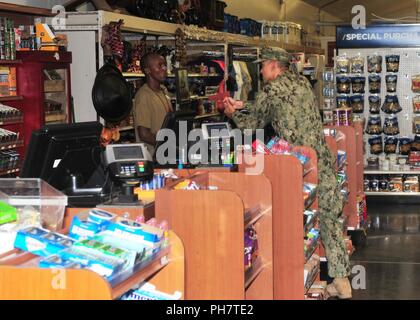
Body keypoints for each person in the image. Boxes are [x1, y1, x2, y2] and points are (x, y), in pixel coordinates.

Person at [223, 47, 352, 299]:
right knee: (327, 217)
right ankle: (341, 279)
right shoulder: (302, 83)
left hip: (296, 166)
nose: (260, 71)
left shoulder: (271, 90)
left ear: (273, 65)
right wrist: (245, 104)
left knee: (293, 222)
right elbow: (280, 105)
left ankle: (291, 278)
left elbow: (253, 124)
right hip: (321, 159)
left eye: (263, 66)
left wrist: (232, 112)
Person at [134, 52, 173, 155]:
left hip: (166, 154)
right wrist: (168, 144)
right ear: (147, 70)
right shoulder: (143, 96)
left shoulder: (163, 90)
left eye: (165, 65)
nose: (164, 68)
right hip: (152, 158)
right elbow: (144, 134)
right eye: (160, 66)